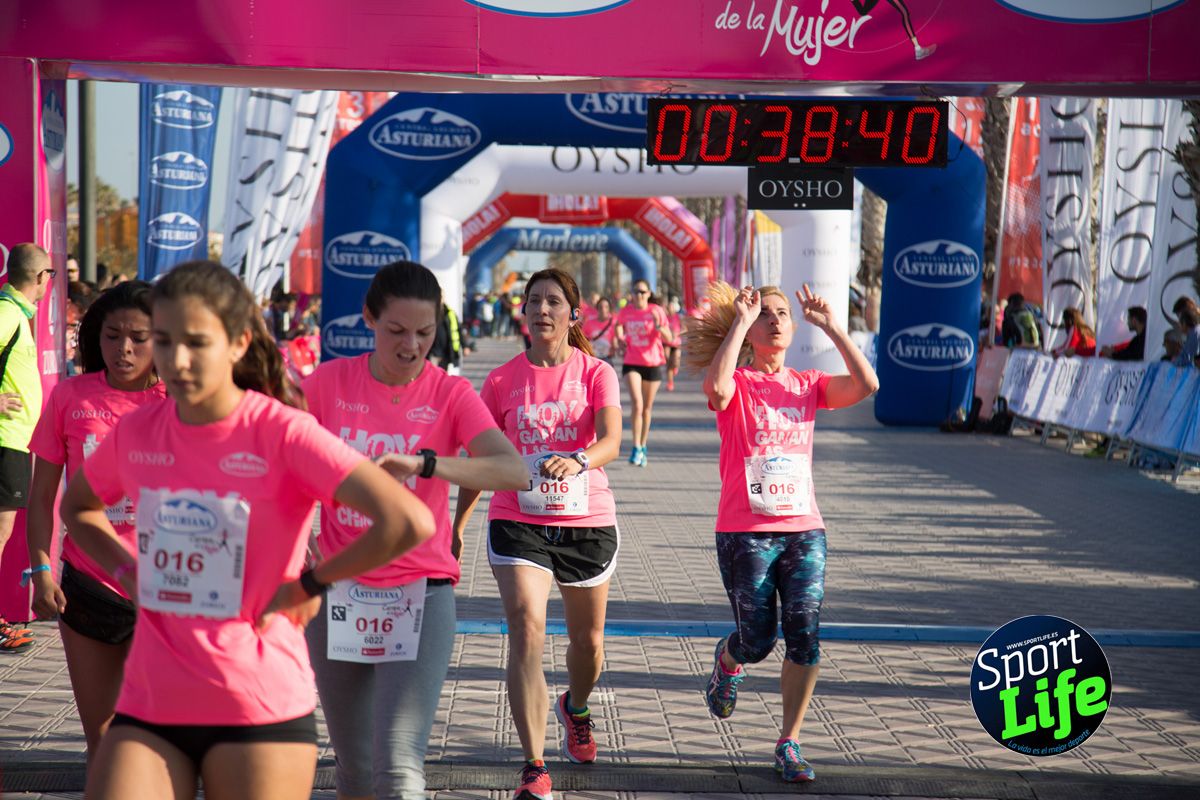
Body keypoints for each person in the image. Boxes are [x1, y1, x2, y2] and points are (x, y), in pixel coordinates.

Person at [60, 260, 436, 800]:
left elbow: (408, 520)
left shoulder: (281, 432)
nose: (177, 360)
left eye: (197, 343)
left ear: (237, 343)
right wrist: (129, 571)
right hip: (152, 698)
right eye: (164, 341)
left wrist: (310, 584)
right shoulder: (139, 430)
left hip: (255, 701)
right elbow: (79, 508)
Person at [303, 260, 526, 800]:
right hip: (337, 590)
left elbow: (512, 469)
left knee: (399, 770)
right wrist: (297, 533)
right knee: (353, 772)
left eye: (424, 333)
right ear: (369, 320)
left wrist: (428, 464)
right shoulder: (328, 383)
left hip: (420, 594)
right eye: (396, 331)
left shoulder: (449, 394)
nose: (411, 346)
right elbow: (274, 458)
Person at [685, 282, 879, 784]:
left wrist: (833, 325)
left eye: (782, 314)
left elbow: (867, 385)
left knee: (805, 638)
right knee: (757, 641)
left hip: (803, 529)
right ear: (750, 331)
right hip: (745, 531)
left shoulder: (808, 383)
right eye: (764, 314)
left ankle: (788, 741)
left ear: (793, 328)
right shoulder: (739, 381)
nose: (774, 319)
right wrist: (738, 323)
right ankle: (729, 661)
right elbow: (717, 390)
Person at [454, 268, 622, 800]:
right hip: (517, 518)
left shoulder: (597, 372)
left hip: (585, 521)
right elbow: (483, 458)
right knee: (526, 628)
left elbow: (613, 441)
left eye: (554, 302)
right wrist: (455, 527)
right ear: (522, 312)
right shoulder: (501, 380)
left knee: (587, 644)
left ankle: (575, 707)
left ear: (574, 314)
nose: (542, 310)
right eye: (534, 301)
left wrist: (577, 460)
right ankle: (533, 765)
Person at [25, 281, 165, 756]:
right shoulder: (70, 396)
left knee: (159, 738)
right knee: (103, 741)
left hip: (166, 590)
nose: (123, 349)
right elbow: (42, 495)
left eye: (138, 337)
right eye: (111, 335)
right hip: (89, 587)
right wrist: (42, 570)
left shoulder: (182, 402)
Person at [0, 244, 55, 652]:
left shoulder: (17, 313)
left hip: (14, 440)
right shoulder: (7, 312)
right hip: (4, 440)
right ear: (40, 278)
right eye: (49, 276)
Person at [615, 279, 671, 466]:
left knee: (647, 408)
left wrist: (658, 326)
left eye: (643, 292)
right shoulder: (626, 311)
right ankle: (636, 446)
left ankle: (643, 445)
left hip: (653, 363)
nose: (639, 295)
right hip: (632, 362)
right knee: (637, 404)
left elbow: (669, 338)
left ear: (648, 294)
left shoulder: (656, 311)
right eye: (636, 292)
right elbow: (618, 326)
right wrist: (620, 338)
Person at [582, 296, 617, 363]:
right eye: (600, 307)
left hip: (607, 358)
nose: (603, 309)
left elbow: (615, 341)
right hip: (592, 358)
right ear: (597, 309)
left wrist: (615, 346)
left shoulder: (613, 323)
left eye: (606, 307)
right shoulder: (589, 323)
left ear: (609, 309)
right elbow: (582, 338)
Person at [1172, 297, 1200, 367]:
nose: (1179, 321)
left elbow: (1188, 359)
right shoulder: (1193, 332)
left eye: (1179, 316)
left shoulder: (1194, 333)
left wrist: (1175, 362)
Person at [665, 296, 684, 391]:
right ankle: (670, 382)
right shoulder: (665, 318)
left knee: (676, 361)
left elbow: (684, 329)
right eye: (669, 308)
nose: (670, 309)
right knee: (668, 363)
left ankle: (675, 367)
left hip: (676, 343)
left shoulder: (678, 317)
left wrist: (677, 333)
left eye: (672, 307)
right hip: (667, 343)